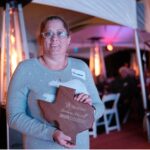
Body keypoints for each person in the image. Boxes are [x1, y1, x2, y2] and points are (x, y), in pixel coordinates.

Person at [7, 16, 104, 149]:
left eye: (60, 33)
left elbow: (99, 106)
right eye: (48, 33)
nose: (54, 38)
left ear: (68, 39)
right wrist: (51, 133)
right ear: (41, 39)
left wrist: (88, 110)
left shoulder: (81, 67)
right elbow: (14, 117)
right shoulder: (25, 69)